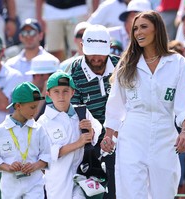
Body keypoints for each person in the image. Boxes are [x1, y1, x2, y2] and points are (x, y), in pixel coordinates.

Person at [101, 10, 185, 198]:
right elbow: (115, 105)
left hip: (165, 135)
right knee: (131, 191)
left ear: (157, 29)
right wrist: (109, 135)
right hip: (132, 136)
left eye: (144, 27)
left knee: (165, 192)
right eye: (135, 29)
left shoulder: (177, 63)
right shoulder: (126, 64)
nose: (138, 32)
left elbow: (184, 103)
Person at [69, 24, 120, 199]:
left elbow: (131, 104)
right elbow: (75, 113)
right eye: (92, 52)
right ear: (82, 47)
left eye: (101, 52)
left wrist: (115, 134)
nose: (96, 58)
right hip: (89, 143)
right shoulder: (72, 73)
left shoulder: (122, 66)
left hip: (122, 136)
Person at [37, 71, 102, 198]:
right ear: (48, 94)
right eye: (56, 91)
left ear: (73, 92)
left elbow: (97, 130)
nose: (61, 95)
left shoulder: (82, 111)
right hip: (57, 182)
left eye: (66, 91)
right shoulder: (43, 122)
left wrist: (91, 131)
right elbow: (48, 154)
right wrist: (78, 143)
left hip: (84, 176)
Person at [0, 82, 51, 199]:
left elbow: (47, 155)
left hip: (35, 185)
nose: (36, 111)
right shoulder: (0, 131)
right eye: (32, 107)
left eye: (37, 106)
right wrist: (8, 167)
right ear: (18, 106)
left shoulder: (39, 129)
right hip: (10, 188)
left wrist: (35, 166)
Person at [5, 18, 58, 82]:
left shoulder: (52, 61)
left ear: (41, 35)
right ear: (20, 37)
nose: (28, 36)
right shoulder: (11, 64)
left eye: (32, 32)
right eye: (24, 33)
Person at [25, 54, 60, 119]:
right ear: (37, 75)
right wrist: (44, 95)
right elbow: (28, 121)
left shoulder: (60, 94)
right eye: (52, 75)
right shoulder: (23, 94)